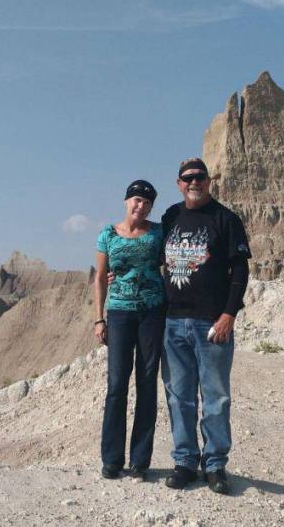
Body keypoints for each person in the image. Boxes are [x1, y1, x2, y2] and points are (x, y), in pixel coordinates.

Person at [159, 157, 251, 495]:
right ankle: (185, 461)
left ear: (209, 181)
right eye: (187, 178)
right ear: (179, 183)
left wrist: (229, 315)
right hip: (172, 322)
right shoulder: (170, 216)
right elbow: (154, 257)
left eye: (199, 177)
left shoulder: (226, 219)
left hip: (211, 324)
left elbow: (239, 271)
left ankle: (214, 465)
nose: (193, 182)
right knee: (178, 396)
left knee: (216, 398)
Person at [94, 179, 165, 482]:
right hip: (120, 313)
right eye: (136, 200)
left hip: (152, 312)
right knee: (116, 385)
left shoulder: (159, 233)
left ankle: (140, 461)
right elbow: (99, 277)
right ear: (126, 201)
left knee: (147, 384)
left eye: (147, 202)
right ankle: (111, 460)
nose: (141, 206)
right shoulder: (108, 234)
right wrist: (99, 319)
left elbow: (172, 264)